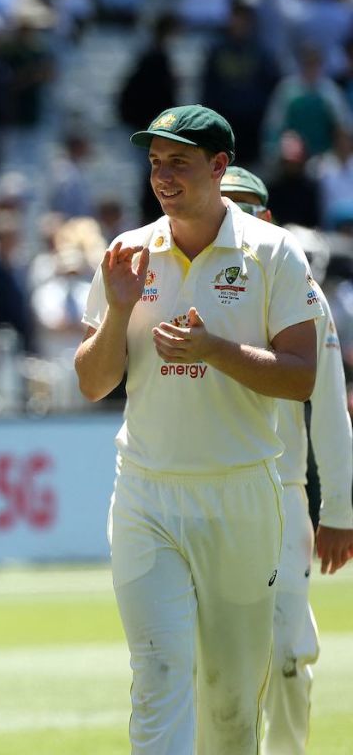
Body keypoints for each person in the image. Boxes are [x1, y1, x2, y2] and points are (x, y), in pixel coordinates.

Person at [75, 105, 336, 754]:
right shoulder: (126, 254)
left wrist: (217, 351)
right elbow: (92, 381)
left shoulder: (272, 252)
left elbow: (303, 376)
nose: (163, 177)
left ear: (220, 167)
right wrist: (117, 310)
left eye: (180, 164)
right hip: (147, 495)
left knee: (230, 704)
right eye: (156, 163)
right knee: (159, 679)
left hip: (241, 497)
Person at [218, 167, 353, 754]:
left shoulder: (302, 291)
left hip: (282, 492)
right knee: (216, 663)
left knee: (290, 655)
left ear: (267, 218)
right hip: (207, 493)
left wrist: (340, 510)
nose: (233, 219)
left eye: (245, 208)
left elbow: (328, 410)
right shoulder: (179, 282)